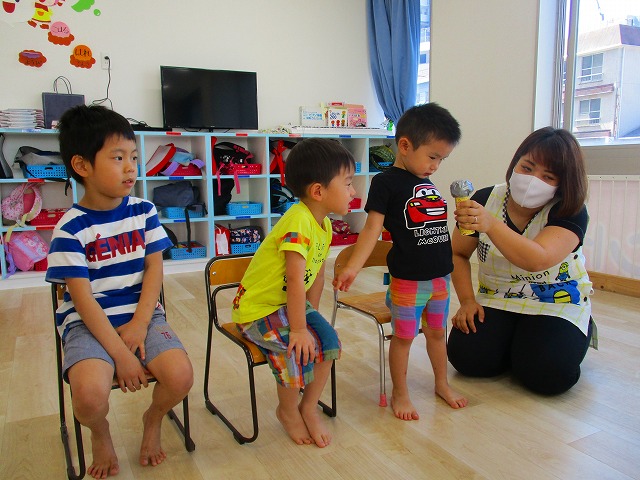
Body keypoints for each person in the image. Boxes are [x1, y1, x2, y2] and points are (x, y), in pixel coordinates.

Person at [46, 105, 193, 478]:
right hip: (88, 324)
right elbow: (81, 300)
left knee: (180, 377)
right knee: (88, 398)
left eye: (133, 157)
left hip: (142, 314)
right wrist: (121, 355)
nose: (131, 167)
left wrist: (141, 323)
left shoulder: (144, 211)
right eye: (117, 158)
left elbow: (154, 269)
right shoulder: (70, 228)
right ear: (82, 165)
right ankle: (100, 432)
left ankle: (153, 418)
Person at [333, 103, 468, 421]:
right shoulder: (386, 182)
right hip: (408, 280)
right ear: (405, 145)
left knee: (437, 333)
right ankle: (400, 392)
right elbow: (371, 230)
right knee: (404, 338)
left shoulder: (426, 181)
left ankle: (441, 384)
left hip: (440, 277)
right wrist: (352, 266)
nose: (436, 165)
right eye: (432, 156)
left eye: (442, 159)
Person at [447, 127, 595, 395]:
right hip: (497, 297)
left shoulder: (570, 210)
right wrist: (467, 301)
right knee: (467, 358)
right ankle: (518, 343)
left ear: (562, 183)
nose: (533, 180)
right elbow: (457, 253)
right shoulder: (484, 199)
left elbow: (537, 259)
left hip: (555, 300)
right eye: (527, 167)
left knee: (548, 375)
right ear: (515, 163)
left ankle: (573, 330)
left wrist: (491, 224)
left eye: (548, 176)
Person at [232, 138, 355, 447]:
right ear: (318, 191)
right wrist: (299, 330)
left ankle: (308, 406)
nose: (353, 191)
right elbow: (296, 279)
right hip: (258, 309)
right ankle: (287, 411)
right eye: (348, 183)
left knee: (329, 342)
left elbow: (317, 274)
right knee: (296, 350)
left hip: (287, 305)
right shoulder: (298, 222)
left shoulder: (324, 224)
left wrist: (310, 318)